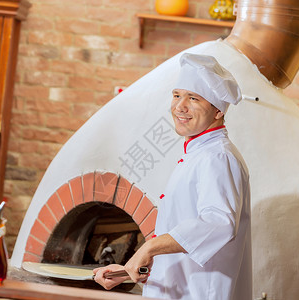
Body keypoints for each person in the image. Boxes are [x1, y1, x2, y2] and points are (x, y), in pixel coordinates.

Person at [94, 53, 252, 300]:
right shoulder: (196, 153)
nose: (180, 106)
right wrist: (128, 270)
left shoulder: (217, 157)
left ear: (218, 111)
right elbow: (183, 240)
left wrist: (149, 247)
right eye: (177, 95)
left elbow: (219, 223)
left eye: (193, 98)